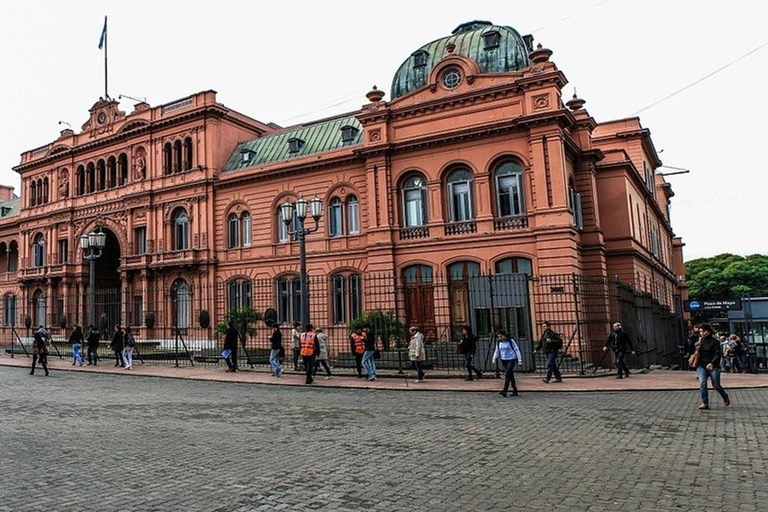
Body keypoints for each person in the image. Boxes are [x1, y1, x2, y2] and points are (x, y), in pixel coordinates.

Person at [694, 323, 730, 410]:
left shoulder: (715, 342)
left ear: (709, 331)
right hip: (701, 365)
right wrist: (696, 347)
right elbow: (695, 353)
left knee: (716, 385)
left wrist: (712, 363)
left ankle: (724, 396)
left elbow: (718, 354)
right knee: (703, 383)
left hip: (713, 365)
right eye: (700, 331)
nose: (702, 333)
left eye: (704, 331)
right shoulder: (700, 341)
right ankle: (705, 402)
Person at [492, 329, 522, 397]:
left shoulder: (511, 341)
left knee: (507, 374)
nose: (499, 338)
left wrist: (519, 360)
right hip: (504, 359)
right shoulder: (499, 342)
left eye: (501, 336)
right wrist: (494, 358)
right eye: (498, 337)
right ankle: (515, 390)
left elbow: (516, 349)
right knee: (510, 375)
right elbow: (497, 351)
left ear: (504, 335)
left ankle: (504, 390)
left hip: (511, 359)